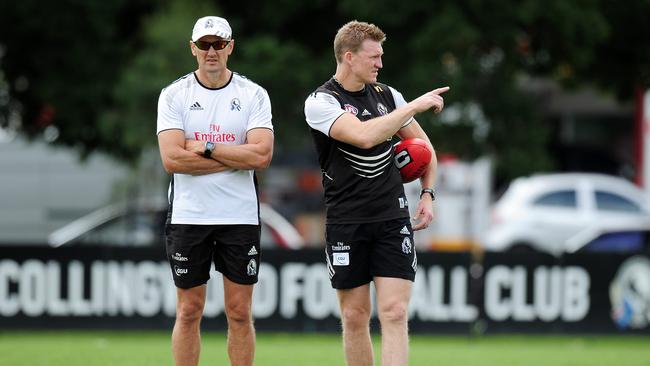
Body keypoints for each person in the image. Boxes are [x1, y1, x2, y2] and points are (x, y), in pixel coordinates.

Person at [304, 20, 448, 366]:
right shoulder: (321, 102)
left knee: (395, 312)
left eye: (381, 56)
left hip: (391, 218)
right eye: (374, 57)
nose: (380, 64)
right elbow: (364, 136)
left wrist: (427, 193)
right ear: (349, 57)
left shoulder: (388, 96)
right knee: (354, 316)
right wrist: (413, 107)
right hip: (346, 220)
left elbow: (426, 150)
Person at [156, 15, 273, 366]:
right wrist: (237, 157)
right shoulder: (174, 94)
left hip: (239, 215)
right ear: (193, 49)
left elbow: (262, 155)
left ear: (230, 47)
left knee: (239, 312)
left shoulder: (253, 94)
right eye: (204, 44)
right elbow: (173, 159)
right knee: (189, 310)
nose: (211, 51)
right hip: (189, 216)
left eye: (218, 44)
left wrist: (206, 147)